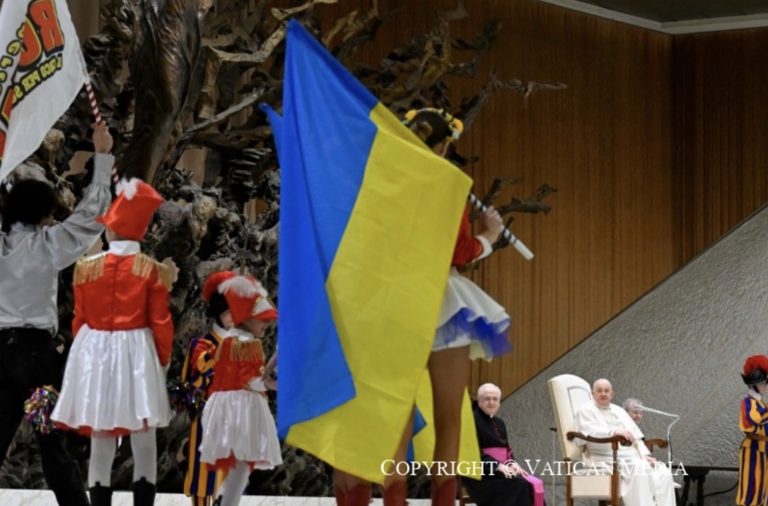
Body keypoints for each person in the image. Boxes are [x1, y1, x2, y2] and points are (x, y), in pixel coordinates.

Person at [333, 108, 510, 506]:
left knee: (393, 409)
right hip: (442, 302)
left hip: (390, 300)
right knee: (449, 416)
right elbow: (459, 251)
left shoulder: (383, 181)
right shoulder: (448, 181)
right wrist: (490, 234)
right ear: (446, 144)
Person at [0, 123, 113, 506]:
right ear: (44, 214)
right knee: (52, 445)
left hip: (0, 354)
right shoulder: (48, 245)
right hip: (37, 357)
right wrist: (102, 156)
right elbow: (90, 217)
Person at [51, 178, 173, 506]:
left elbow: (79, 320)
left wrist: (85, 357)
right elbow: (160, 322)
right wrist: (162, 361)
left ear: (111, 231)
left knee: (101, 435)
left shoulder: (87, 269)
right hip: (137, 353)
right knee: (144, 438)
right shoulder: (152, 271)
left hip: (96, 352)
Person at [197, 272, 282, 506]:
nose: (267, 323)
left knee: (238, 464)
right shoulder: (248, 344)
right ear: (245, 317)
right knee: (241, 465)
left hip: (226, 407)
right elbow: (252, 380)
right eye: (262, 319)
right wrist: (274, 385)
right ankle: (227, 501)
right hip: (241, 409)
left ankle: (225, 498)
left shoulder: (229, 341)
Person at [180, 272, 235, 506]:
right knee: (204, 474)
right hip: (207, 415)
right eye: (227, 314)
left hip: (234, 414)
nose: (233, 318)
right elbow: (200, 369)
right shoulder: (203, 344)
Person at [574, 378, 675, 506]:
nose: (603, 394)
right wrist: (613, 432)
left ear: (612, 394)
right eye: (599, 391)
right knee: (640, 467)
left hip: (628, 456)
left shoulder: (619, 411)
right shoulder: (586, 410)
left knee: (662, 470)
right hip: (602, 457)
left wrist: (645, 456)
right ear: (592, 394)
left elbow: (636, 438)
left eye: (606, 391)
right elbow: (588, 432)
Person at [463, 383, 543, 506]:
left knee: (532, 483)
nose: (491, 402)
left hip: (500, 474)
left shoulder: (500, 423)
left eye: (495, 399)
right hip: (481, 477)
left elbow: (507, 451)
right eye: (487, 399)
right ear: (479, 401)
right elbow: (470, 453)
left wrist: (513, 463)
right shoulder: (471, 420)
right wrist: (497, 466)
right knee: (521, 485)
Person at [737, 355, 768, 506]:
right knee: (751, 486)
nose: (765, 386)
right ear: (754, 384)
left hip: (764, 449)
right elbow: (751, 421)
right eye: (763, 383)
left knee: (763, 486)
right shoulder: (747, 402)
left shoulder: (761, 403)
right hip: (753, 450)